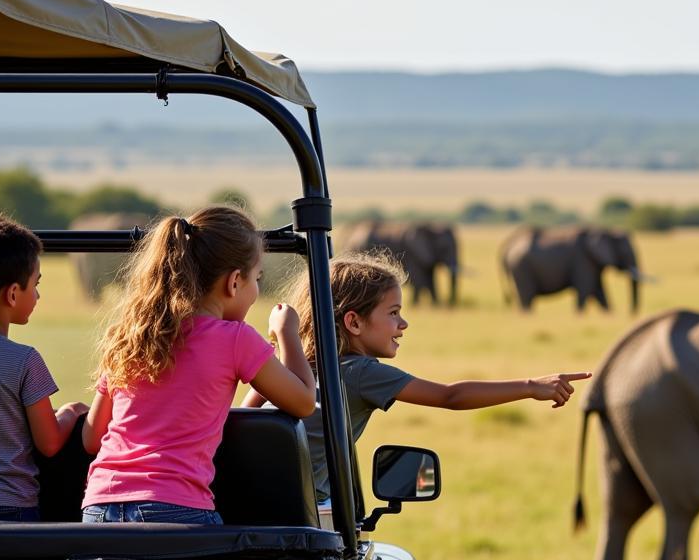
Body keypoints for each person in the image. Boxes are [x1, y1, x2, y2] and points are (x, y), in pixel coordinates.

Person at [243, 250, 590, 521]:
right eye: (393, 313)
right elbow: (451, 396)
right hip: (303, 510)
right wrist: (531, 386)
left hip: (254, 500)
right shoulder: (360, 371)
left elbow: (245, 419)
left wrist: (281, 343)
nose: (403, 323)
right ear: (354, 322)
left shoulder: (298, 367)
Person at [81, 206, 316, 525]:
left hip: (98, 508)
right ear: (234, 282)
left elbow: (93, 440)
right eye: (256, 278)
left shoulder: (132, 335)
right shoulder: (235, 339)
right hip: (176, 509)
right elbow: (303, 401)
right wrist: (288, 332)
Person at [0, 215, 89, 521]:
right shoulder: (25, 360)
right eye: (36, 284)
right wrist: (69, 412)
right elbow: (50, 442)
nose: (39, 295)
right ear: (13, 294)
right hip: (11, 509)